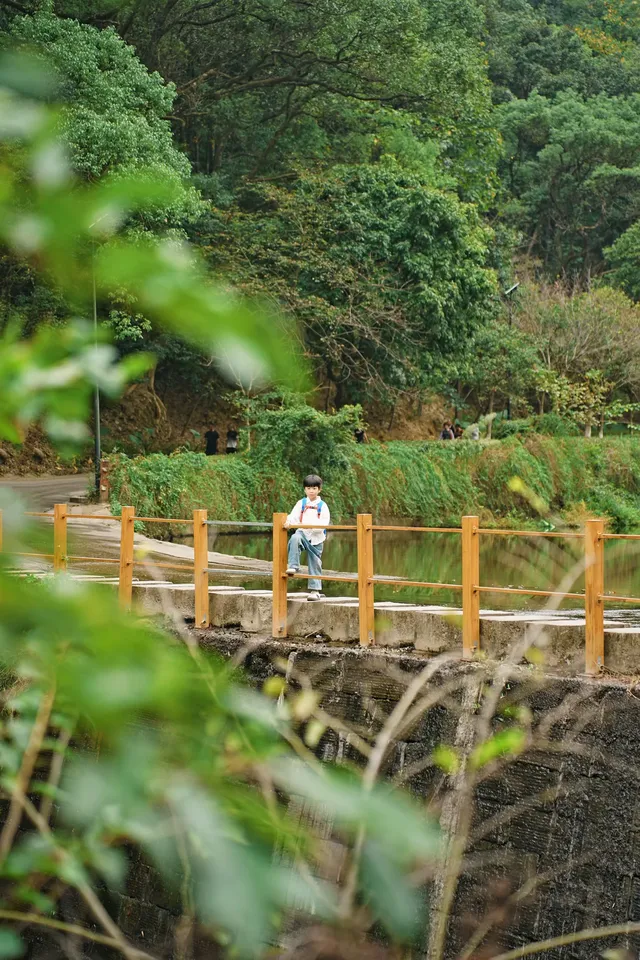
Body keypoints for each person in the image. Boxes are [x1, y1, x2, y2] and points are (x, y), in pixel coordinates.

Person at [284, 474, 331, 601]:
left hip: (317, 537)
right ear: (305, 489)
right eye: (309, 488)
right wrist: (288, 522)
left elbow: (324, 522)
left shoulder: (323, 505)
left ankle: (315, 591)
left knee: (315, 563)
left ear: (319, 489)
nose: (311, 491)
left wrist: (314, 527)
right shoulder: (301, 503)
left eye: (314, 488)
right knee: (294, 538)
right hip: (302, 533)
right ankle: (294, 565)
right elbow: (293, 516)